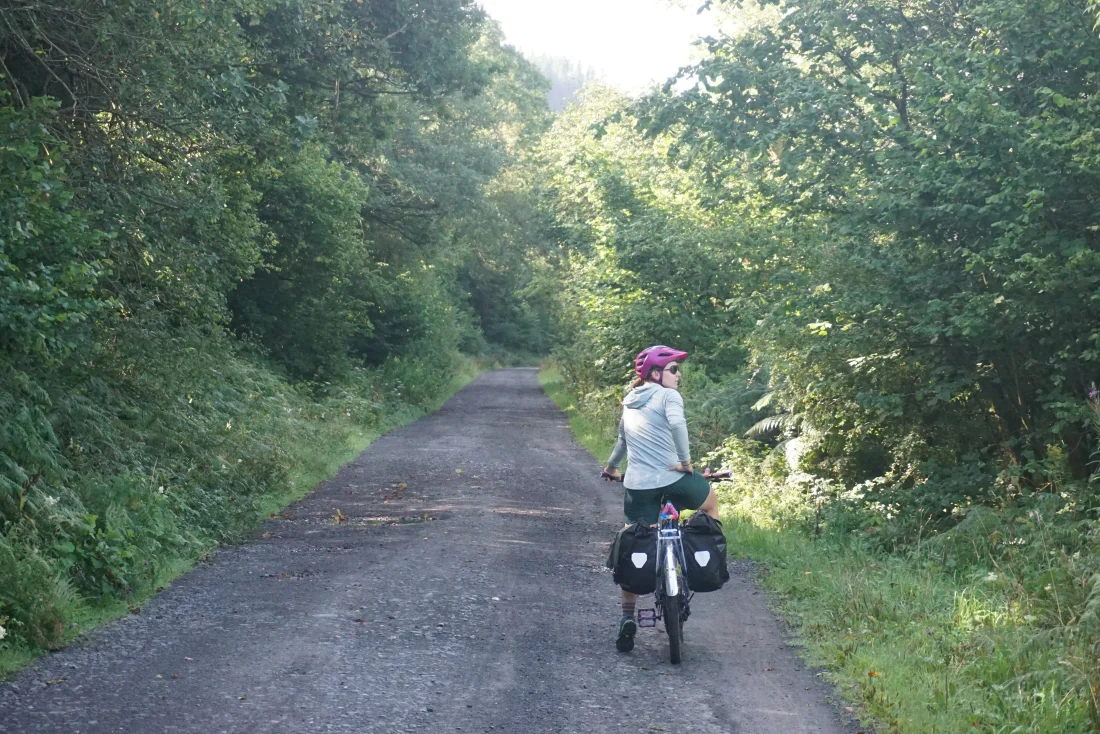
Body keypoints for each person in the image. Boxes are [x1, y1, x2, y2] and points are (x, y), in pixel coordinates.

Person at [602, 345, 719, 653]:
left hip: (638, 485)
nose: (678, 375)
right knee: (710, 503)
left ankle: (628, 618)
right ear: (656, 374)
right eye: (673, 370)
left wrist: (612, 467)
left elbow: (622, 441)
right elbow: (678, 425)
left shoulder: (629, 402)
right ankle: (707, 559)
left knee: (636, 539)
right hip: (674, 477)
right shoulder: (668, 396)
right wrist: (685, 461)